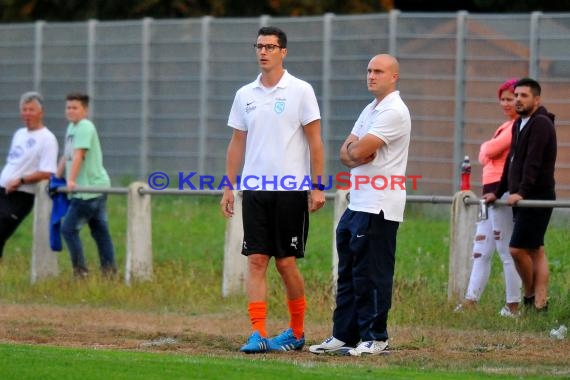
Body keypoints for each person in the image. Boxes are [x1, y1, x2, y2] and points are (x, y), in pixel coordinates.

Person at [220, 26, 325, 353]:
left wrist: (317, 186)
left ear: (283, 52)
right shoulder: (245, 94)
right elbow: (237, 142)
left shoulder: (301, 90)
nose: (263, 52)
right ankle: (258, 333)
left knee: (285, 263)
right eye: (259, 46)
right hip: (255, 191)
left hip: (290, 191)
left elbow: (315, 141)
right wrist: (229, 185)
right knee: (256, 260)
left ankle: (296, 331)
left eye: (270, 47)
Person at [310, 54, 411, 356]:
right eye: (368, 70)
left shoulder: (395, 111)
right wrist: (354, 152)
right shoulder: (370, 109)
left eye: (378, 71)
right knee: (348, 274)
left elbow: (361, 148)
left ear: (394, 76)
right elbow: (346, 151)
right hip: (357, 203)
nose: (371, 76)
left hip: (379, 205)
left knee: (372, 275)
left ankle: (375, 337)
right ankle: (344, 334)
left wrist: (355, 151)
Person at [483, 78, 556, 312]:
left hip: (537, 197)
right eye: (516, 95)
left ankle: (530, 293)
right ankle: (540, 304)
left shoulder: (541, 124)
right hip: (521, 196)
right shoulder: (518, 124)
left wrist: (522, 192)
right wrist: (499, 191)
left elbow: (533, 162)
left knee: (517, 249)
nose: (517, 99)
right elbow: (511, 163)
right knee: (535, 249)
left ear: (537, 99)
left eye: (524, 96)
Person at [456, 79, 522, 317]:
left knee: (505, 249)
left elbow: (488, 153)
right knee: (481, 249)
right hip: (489, 192)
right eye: (502, 99)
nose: (506, 103)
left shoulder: (517, 127)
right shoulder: (506, 126)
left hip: (501, 191)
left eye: (511, 98)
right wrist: (488, 148)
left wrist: (487, 147)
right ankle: (471, 300)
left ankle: (512, 305)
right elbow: (487, 153)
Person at [57, 93, 117, 277]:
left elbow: (79, 155)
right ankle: (109, 272)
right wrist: (56, 176)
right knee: (100, 231)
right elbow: (67, 155)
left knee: (68, 229)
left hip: (88, 190)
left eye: (75, 107)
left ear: (85, 110)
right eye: (68, 107)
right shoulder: (71, 127)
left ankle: (80, 273)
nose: (70, 111)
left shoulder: (84, 126)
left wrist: (71, 180)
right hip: (97, 187)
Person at [0, 92, 58, 259]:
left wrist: (21, 180)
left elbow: (48, 172)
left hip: (20, 196)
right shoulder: (19, 133)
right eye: (24, 110)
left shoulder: (47, 138)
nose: (27, 114)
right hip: (3, 190)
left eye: (31, 110)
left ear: (41, 112)